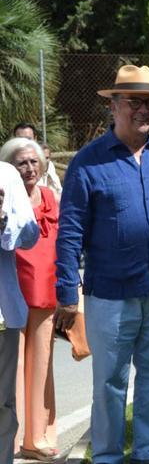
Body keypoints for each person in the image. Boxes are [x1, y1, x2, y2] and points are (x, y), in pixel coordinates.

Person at [54, 65, 149, 464]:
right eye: (135, 102)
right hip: (109, 294)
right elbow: (70, 230)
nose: (144, 110)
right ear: (113, 105)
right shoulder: (88, 162)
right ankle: (107, 456)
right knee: (108, 383)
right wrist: (66, 294)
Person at [0, 138, 59, 461]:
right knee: (13, 371)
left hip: (42, 290)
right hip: (13, 289)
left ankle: (36, 436)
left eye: (34, 162)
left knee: (42, 366)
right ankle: (14, 438)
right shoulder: (6, 190)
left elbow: (56, 241)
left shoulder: (49, 196)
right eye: (22, 162)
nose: (29, 168)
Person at [0, 161, 39, 464]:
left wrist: (3, 218)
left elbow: (29, 235)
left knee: (2, 402)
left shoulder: (6, 174)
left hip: (1, 314)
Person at [12, 124, 61, 198]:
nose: (24, 143)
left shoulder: (47, 164)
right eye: (20, 139)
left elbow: (58, 190)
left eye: (28, 139)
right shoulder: (8, 166)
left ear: (35, 139)